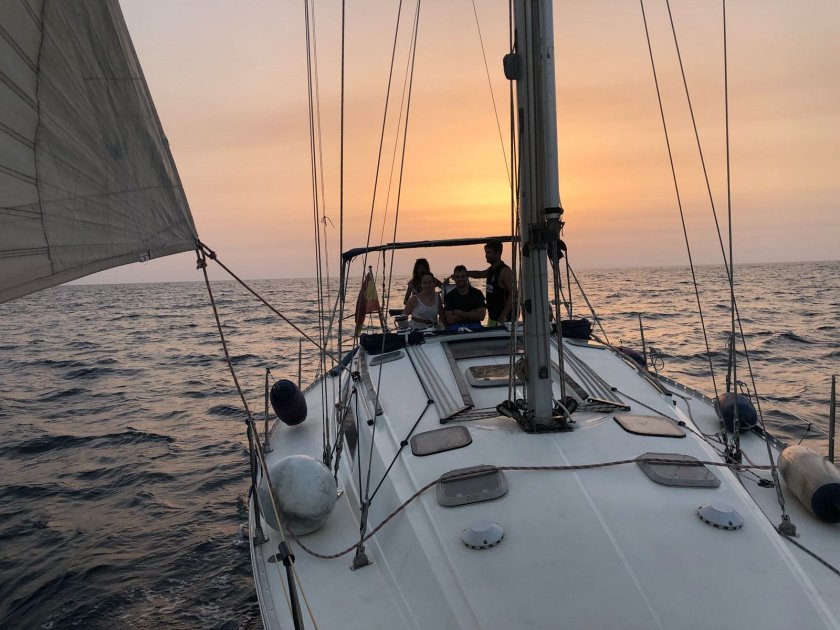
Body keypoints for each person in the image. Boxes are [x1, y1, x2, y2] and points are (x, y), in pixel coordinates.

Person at [466, 240, 513, 326]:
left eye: (489, 252)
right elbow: (480, 274)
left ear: (498, 253)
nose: (486, 255)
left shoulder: (505, 271)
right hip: (492, 318)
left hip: (503, 321)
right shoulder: (491, 269)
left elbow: (513, 294)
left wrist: (503, 316)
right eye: (486, 252)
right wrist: (465, 273)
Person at [443, 265, 486, 331]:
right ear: (454, 278)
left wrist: (460, 313)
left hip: (474, 325)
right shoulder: (449, 297)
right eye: (457, 277)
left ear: (467, 277)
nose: (460, 279)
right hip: (456, 327)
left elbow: (481, 316)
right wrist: (472, 314)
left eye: (462, 276)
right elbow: (450, 320)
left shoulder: (477, 293)